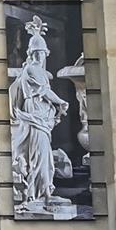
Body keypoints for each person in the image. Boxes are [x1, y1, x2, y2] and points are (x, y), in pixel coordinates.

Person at [9, 19, 71, 215]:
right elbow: (44, 91)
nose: (41, 56)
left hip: (40, 116)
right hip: (35, 117)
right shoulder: (32, 70)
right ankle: (37, 195)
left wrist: (55, 106)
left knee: (45, 159)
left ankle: (44, 193)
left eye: (42, 52)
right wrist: (60, 101)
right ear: (33, 53)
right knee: (39, 157)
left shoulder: (38, 71)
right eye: (39, 52)